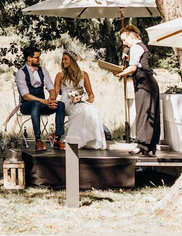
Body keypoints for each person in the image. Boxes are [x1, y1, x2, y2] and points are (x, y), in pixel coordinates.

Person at [116, 25, 160, 155]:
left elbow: (133, 67)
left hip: (145, 84)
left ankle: (143, 145)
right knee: (147, 112)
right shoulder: (139, 47)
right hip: (147, 84)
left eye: (124, 40)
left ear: (131, 36)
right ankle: (149, 144)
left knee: (144, 113)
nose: (124, 43)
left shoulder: (136, 47)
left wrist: (120, 73)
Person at [15, 46, 66, 150]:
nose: (39, 60)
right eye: (36, 57)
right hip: (27, 105)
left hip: (43, 103)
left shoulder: (42, 70)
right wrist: (45, 101)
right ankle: (38, 140)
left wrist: (52, 98)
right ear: (29, 58)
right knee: (35, 104)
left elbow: (51, 87)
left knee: (60, 104)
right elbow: (26, 95)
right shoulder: (21, 73)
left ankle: (57, 138)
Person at [54, 51, 106, 149]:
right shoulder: (60, 75)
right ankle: (74, 140)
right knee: (82, 110)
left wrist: (89, 99)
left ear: (72, 61)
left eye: (65, 59)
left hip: (80, 102)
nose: (63, 61)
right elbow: (55, 93)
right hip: (66, 103)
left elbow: (91, 93)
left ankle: (88, 140)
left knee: (92, 109)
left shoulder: (84, 75)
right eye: (62, 59)